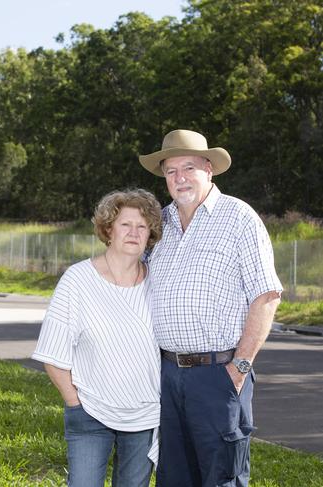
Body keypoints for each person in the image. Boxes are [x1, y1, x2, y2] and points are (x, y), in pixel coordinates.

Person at [139, 129, 283, 487]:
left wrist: (239, 368)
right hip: (166, 374)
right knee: (173, 477)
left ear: (209, 169)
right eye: (171, 171)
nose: (180, 178)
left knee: (222, 478)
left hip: (218, 373)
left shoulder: (239, 218)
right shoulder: (159, 224)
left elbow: (266, 295)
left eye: (188, 167)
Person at [32, 189, 163, 487]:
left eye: (142, 226)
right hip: (90, 412)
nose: (134, 233)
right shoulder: (78, 280)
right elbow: (52, 355)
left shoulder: (158, 282)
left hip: (144, 417)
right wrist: (74, 402)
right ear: (108, 230)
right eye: (125, 225)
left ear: (150, 234)